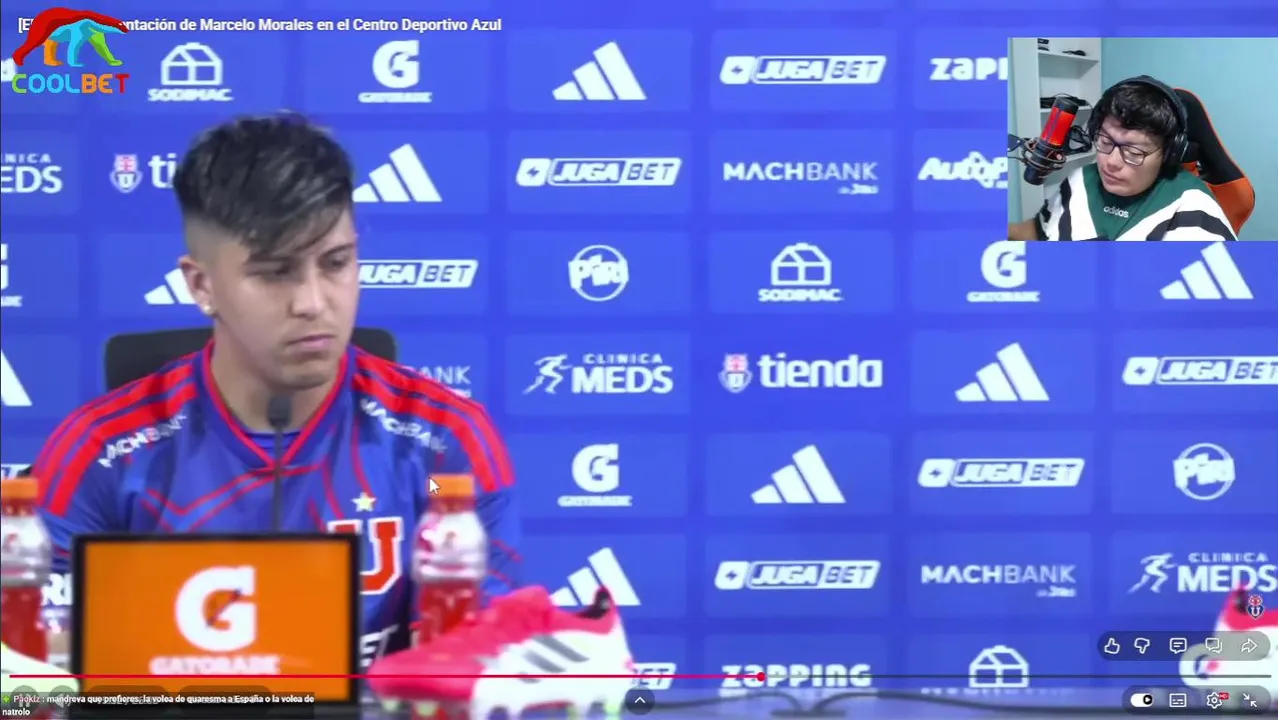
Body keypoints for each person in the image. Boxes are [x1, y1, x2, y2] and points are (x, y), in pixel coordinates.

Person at [31, 113, 520, 668]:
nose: (312, 302)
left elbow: (487, 661)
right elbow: (25, 680)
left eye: (336, 264)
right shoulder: (102, 453)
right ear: (202, 285)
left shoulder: (442, 445)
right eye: (274, 272)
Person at [1009, 76, 1236, 241]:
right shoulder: (1080, 180)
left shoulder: (1194, 209)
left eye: (1134, 152)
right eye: (1105, 141)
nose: (1111, 162)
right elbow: (1039, 231)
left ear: (1168, 154)